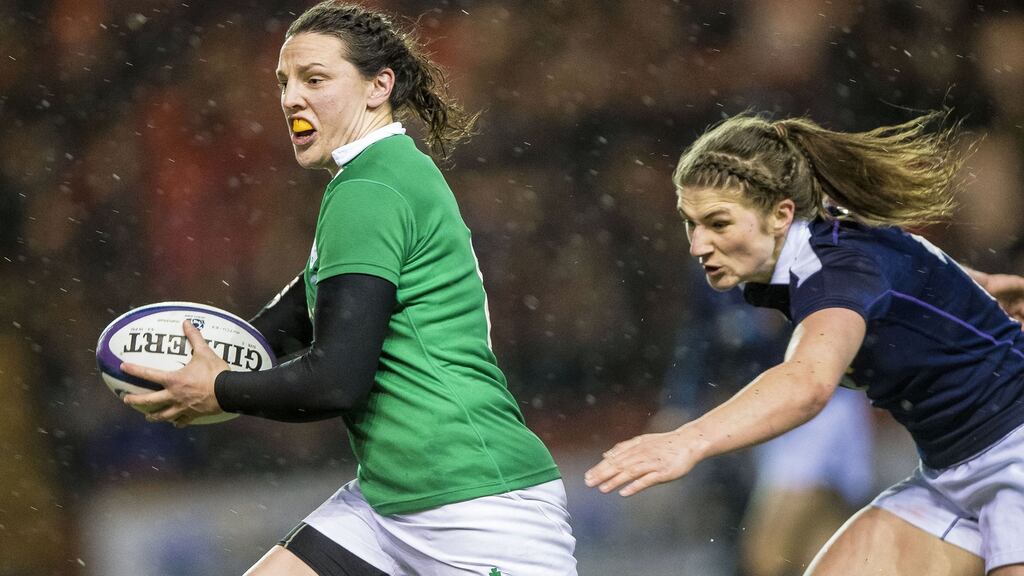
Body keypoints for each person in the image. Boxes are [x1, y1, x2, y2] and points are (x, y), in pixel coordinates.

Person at [120, 2, 577, 575]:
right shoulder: (377, 175)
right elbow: (292, 321)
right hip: (391, 502)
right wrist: (205, 358)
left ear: (377, 86)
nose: (290, 99)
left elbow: (336, 380)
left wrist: (223, 391)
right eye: (285, 83)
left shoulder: (372, 188)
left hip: (476, 509)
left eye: (315, 79)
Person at [584, 110, 1024, 575]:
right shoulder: (821, 247)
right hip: (949, 473)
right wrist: (981, 285)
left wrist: (686, 442)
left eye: (717, 223)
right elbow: (900, 275)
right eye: (690, 223)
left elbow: (808, 383)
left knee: (770, 554)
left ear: (780, 214)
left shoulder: (832, 269)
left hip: (1015, 452)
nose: (697, 245)